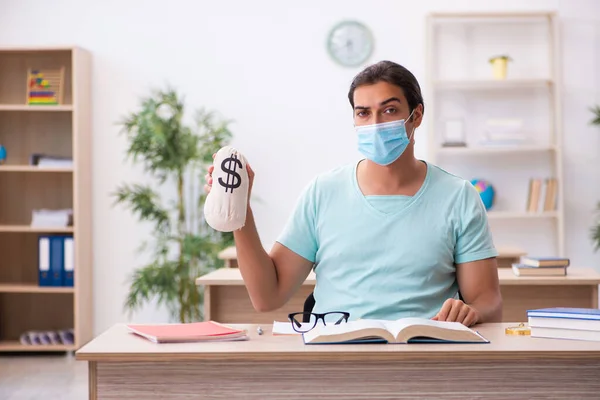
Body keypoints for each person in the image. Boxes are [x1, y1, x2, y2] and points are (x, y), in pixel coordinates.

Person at [205, 60, 502, 327]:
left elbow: (488, 300)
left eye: (389, 110)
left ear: (416, 115)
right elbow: (267, 297)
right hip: (335, 357)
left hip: (426, 355)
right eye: (363, 113)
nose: (375, 124)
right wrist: (240, 211)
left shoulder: (458, 196)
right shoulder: (323, 192)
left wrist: (471, 312)